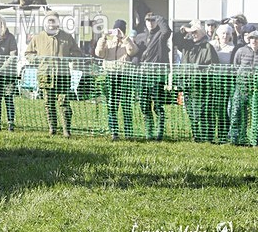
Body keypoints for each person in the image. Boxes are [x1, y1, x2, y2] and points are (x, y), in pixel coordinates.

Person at [25, 11, 82, 137]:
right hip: (45, 75)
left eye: (53, 20)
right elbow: (28, 53)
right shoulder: (38, 38)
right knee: (48, 103)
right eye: (49, 20)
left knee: (64, 102)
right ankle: (52, 128)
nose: (51, 23)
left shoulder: (67, 37)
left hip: (63, 76)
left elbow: (77, 53)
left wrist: (70, 57)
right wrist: (37, 59)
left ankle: (66, 130)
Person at [173, 20, 219, 142]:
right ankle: (196, 136)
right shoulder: (187, 44)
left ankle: (207, 137)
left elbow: (213, 66)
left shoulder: (208, 47)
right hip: (188, 84)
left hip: (202, 86)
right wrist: (184, 30)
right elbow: (175, 40)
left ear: (202, 33)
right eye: (192, 32)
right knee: (191, 111)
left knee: (204, 112)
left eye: (196, 32)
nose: (194, 34)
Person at [228, 29, 258, 146]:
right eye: (252, 38)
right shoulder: (241, 51)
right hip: (241, 88)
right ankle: (236, 138)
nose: (254, 41)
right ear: (249, 40)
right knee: (236, 113)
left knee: (257, 116)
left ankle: (256, 140)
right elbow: (235, 65)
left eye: (257, 39)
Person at [94, 19, 139, 140]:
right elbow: (99, 53)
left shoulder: (128, 42)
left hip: (125, 76)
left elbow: (133, 51)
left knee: (126, 105)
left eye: (119, 30)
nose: (117, 33)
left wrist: (124, 38)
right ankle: (114, 132)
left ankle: (128, 133)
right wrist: (103, 37)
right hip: (111, 76)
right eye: (116, 30)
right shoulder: (108, 43)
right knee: (112, 105)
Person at [134, 12, 173, 141]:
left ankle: (159, 133)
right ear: (144, 22)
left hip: (158, 75)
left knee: (158, 105)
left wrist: (159, 17)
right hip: (144, 75)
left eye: (152, 20)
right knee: (144, 104)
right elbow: (135, 53)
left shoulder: (161, 36)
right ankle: (149, 133)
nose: (150, 23)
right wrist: (135, 61)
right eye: (148, 20)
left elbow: (167, 31)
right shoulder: (140, 37)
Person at [210, 23, 236, 142]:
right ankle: (215, 134)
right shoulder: (212, 46)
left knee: (225, 109)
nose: (225, 36)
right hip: (214, 81)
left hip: (227, 81)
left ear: (231, 35)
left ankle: (224, 134)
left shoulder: (233, 48)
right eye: (223, 33)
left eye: (227, 33)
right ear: (218, 35)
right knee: (216, 108)